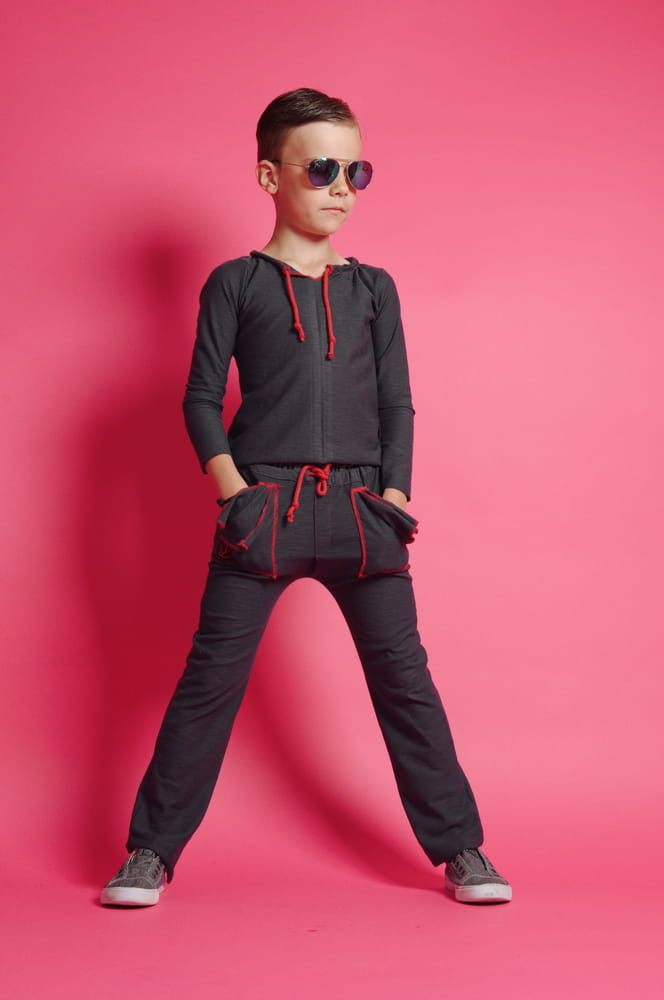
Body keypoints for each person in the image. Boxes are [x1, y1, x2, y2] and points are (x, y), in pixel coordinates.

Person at [101, 88, 511, 907]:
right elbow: (199, 398)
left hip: (363, 514)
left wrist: (393, 495)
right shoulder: (235, 283)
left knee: (406, 683)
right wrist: (236, 493)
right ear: (270, 176)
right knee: (209, 683)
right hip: (264, 514)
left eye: (356, 170)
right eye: (321, 169)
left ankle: (461, 848)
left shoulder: (375, 289)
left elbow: (397, 402)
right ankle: (150, 852)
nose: (341, 187)